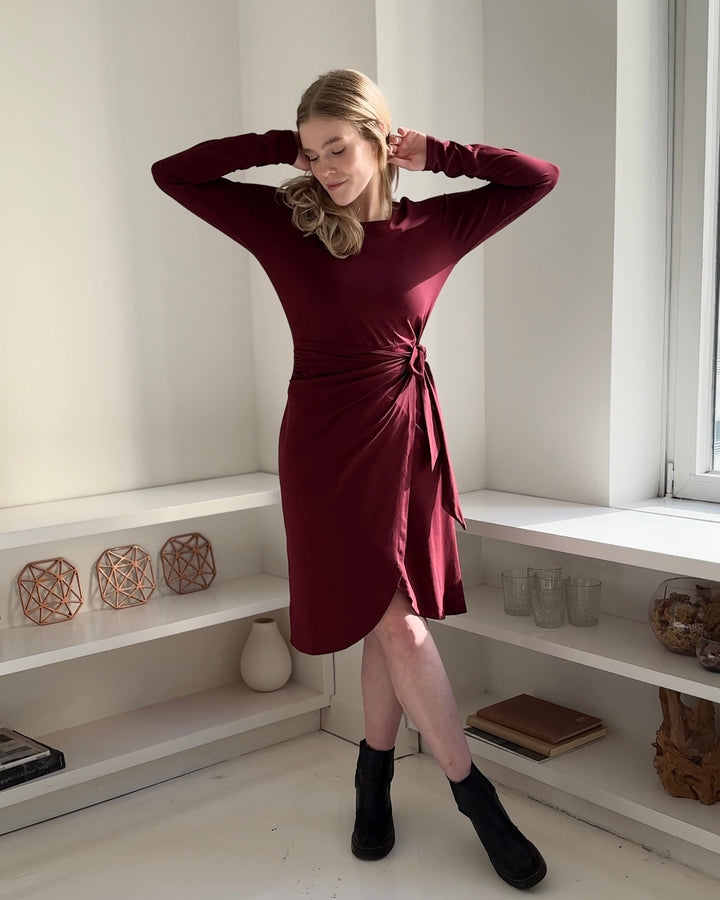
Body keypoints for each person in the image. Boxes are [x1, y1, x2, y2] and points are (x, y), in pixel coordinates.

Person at [152, 68, 559, 891]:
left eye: (338, 148)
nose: (325, 168)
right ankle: (476, 798)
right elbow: (174, 173)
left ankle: (373, 779)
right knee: (397, 627)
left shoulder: (436, 225)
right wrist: (282, 146)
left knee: (391, 622)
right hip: (323, 454)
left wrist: (440, 153)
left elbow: (538, 176)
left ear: (380, 139)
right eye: (312, 154)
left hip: (403, 443)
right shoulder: (285, 223)